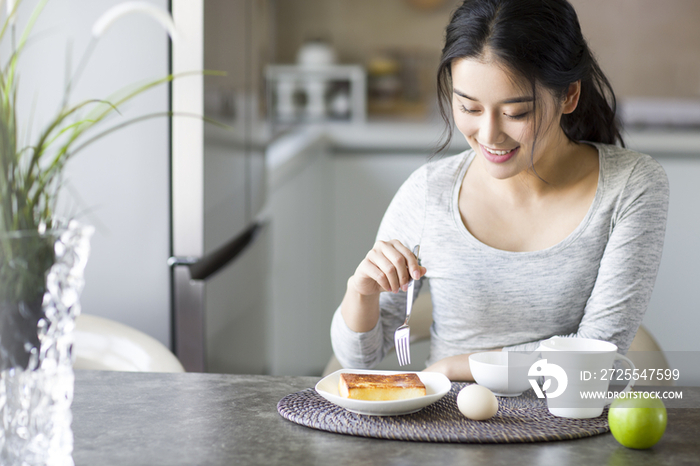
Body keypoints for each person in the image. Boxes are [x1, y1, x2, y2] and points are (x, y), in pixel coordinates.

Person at [330, 0, 669, 381]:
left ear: (569, 95)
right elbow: (358, 361)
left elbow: (597, 352)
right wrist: (361, 292)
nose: (489, 136)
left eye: (516, 113)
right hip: (446, 430)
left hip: (574, 428)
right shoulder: (428, 193)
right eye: (469, 108)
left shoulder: (631, 187)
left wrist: (462, 366)